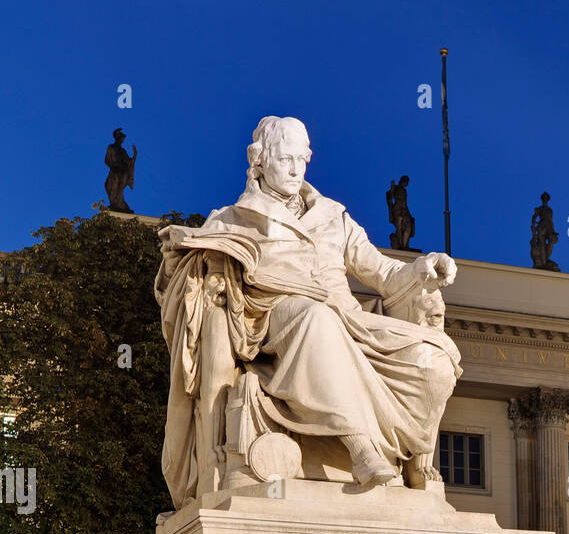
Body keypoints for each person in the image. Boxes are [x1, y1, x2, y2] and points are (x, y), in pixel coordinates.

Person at [156, 116, 461, 507]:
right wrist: (176, 258)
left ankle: (416, 459)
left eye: (302, 159)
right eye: (285, 159)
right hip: (271, 316)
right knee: (316, 318)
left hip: (349, 319)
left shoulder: (333, 215)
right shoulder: (233, 218)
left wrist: (423, 267)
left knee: (434, 354)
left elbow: (383, 274)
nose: (295, 169)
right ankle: (361, 448)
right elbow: (180, 281)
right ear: (259, 160)